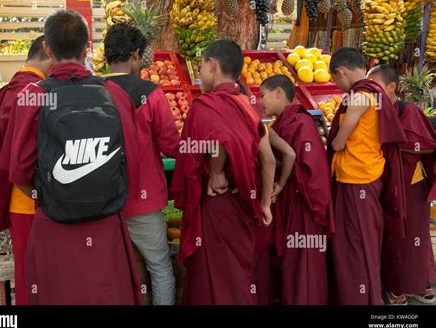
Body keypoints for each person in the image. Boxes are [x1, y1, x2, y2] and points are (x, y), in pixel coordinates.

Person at [9, 10, 142, 304]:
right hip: (106, 226)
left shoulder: (33, 96)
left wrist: (52, 194)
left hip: (54, 227)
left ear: (47, 48)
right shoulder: (114, 94)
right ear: (87, 48)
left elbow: (18, 171)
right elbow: (132, 160)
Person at [171, 39, 276, 305]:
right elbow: (269, 159)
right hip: (242, 204)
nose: (199, 74)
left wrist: (216, 170)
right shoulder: (248, 106)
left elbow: (219, 138)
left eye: (202, 66)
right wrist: (265, 204)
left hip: (217, 205)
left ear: (212, 65)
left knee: (213, 276)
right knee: (236, 275)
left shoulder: (206, 105)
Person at [103, 23, 179, 305]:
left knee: (112, 270)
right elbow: (172, 144)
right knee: (159, 266)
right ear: (135, 54)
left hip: (103, 200)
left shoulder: (92, 90)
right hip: (143, 199)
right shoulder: (151, 93)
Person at [0, 36, 52, 305]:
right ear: (48, 51)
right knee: (40, 277)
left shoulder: (13, 89)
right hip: (30, 200)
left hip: (18, 201)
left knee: (27, 275)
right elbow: (23, 161)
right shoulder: (30, 91)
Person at [327, 47, 407, 305]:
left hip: (356, 178)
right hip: (369, 174)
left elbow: (339, 142)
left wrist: (330, 141)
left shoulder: (361, 97)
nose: (338, 87)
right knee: (364, 243)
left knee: (354, 246)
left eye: (336, 80)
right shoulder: (377, 94)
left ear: (340, 72)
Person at [260, 75, 334, 305]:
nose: (260, 101)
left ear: (279, 94)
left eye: (263, 95)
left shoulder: (301, 124)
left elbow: (306, 165)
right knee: (293, 261)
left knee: (304, 261)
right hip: (291, 200)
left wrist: (280, 183)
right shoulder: (282, 123)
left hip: (304, 204)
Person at [368, 64, 436, 305]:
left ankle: (409, 286)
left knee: (410, 233)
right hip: (386, 181)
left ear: (391, 87)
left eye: (375, 89)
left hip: (410, 183)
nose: (370, 95)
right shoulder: (373, 111)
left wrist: (395, 143)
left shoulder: (407, 111)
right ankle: (415, 282)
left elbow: (428, 145)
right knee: (396, 235)